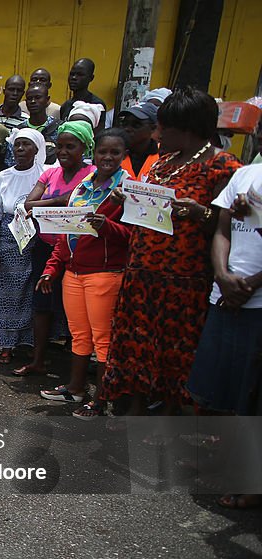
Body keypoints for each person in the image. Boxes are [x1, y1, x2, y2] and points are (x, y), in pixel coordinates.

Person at [101, 88, 242, 415]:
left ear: (190, 129)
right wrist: (130, 200)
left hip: (183, 280)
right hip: (142, 272)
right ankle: (134, 408)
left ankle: (170, 419)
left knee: (175, 354)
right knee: (136, 347)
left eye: (166, 128)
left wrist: (198, 213)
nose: (158, 134)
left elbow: (229, 226)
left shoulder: (222, 167)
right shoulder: (164, 164)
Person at [36, 128, 131, 419]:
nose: (108, 157)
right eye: (103, 151)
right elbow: (68, 231)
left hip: (104, 273)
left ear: (123, 156)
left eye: (115, 153)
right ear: (95, 152)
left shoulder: (127, 189)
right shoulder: (84, 186)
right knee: (79, 335)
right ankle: (76, 388)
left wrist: (107, 226)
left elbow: (134, 235)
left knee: (103, 339)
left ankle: (102, 400)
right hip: (74, 272)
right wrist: (52, 269)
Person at [187, 163, 262, 508]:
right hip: (226, 296)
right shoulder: (244, 175)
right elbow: (223, 229)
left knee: (252, 396)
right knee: (222, 388)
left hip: (255, 300)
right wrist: (222, 275)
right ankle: (228, 465)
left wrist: (249, 286)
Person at [14, 121, 93, 377]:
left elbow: (86, 211)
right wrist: (61, 201)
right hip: (46, 248)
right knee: (42, 305)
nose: (63, 152)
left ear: (85, 146)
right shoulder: (50, 173)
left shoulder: (93, 175)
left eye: (70, 146)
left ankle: (75, 367)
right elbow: (29, 205)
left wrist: (48, 205)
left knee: (75, 309)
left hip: (78, 251)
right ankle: (38, 360)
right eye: (59, 146)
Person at [0, 128, 46, 365]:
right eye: (17, 145)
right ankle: (8, 344)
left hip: (38, 240)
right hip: (10, 241)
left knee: (34, 293)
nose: (20, 150)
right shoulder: (3, 177)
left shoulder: (46, 174)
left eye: (26, 145)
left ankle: (31, 344)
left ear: (37, 149)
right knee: (8, 295)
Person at [118, 101, 159, 181]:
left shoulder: (163, 155)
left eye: (136, 125)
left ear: (153, 128)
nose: (127, 129)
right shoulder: (112, 153)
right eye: (125, 124)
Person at [19, 84, 59, 163]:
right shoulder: (19, 130)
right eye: (30, 99)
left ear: (47, 100)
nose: (33, 101)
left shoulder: (59, 128)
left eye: (38, 98)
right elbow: (10, 161)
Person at [59, 59, 106, 125]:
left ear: (91, 78)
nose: (74, 78)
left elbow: (98, 133)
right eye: (72, 74)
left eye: (80, 75)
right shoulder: (65, 106)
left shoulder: (97, 105)